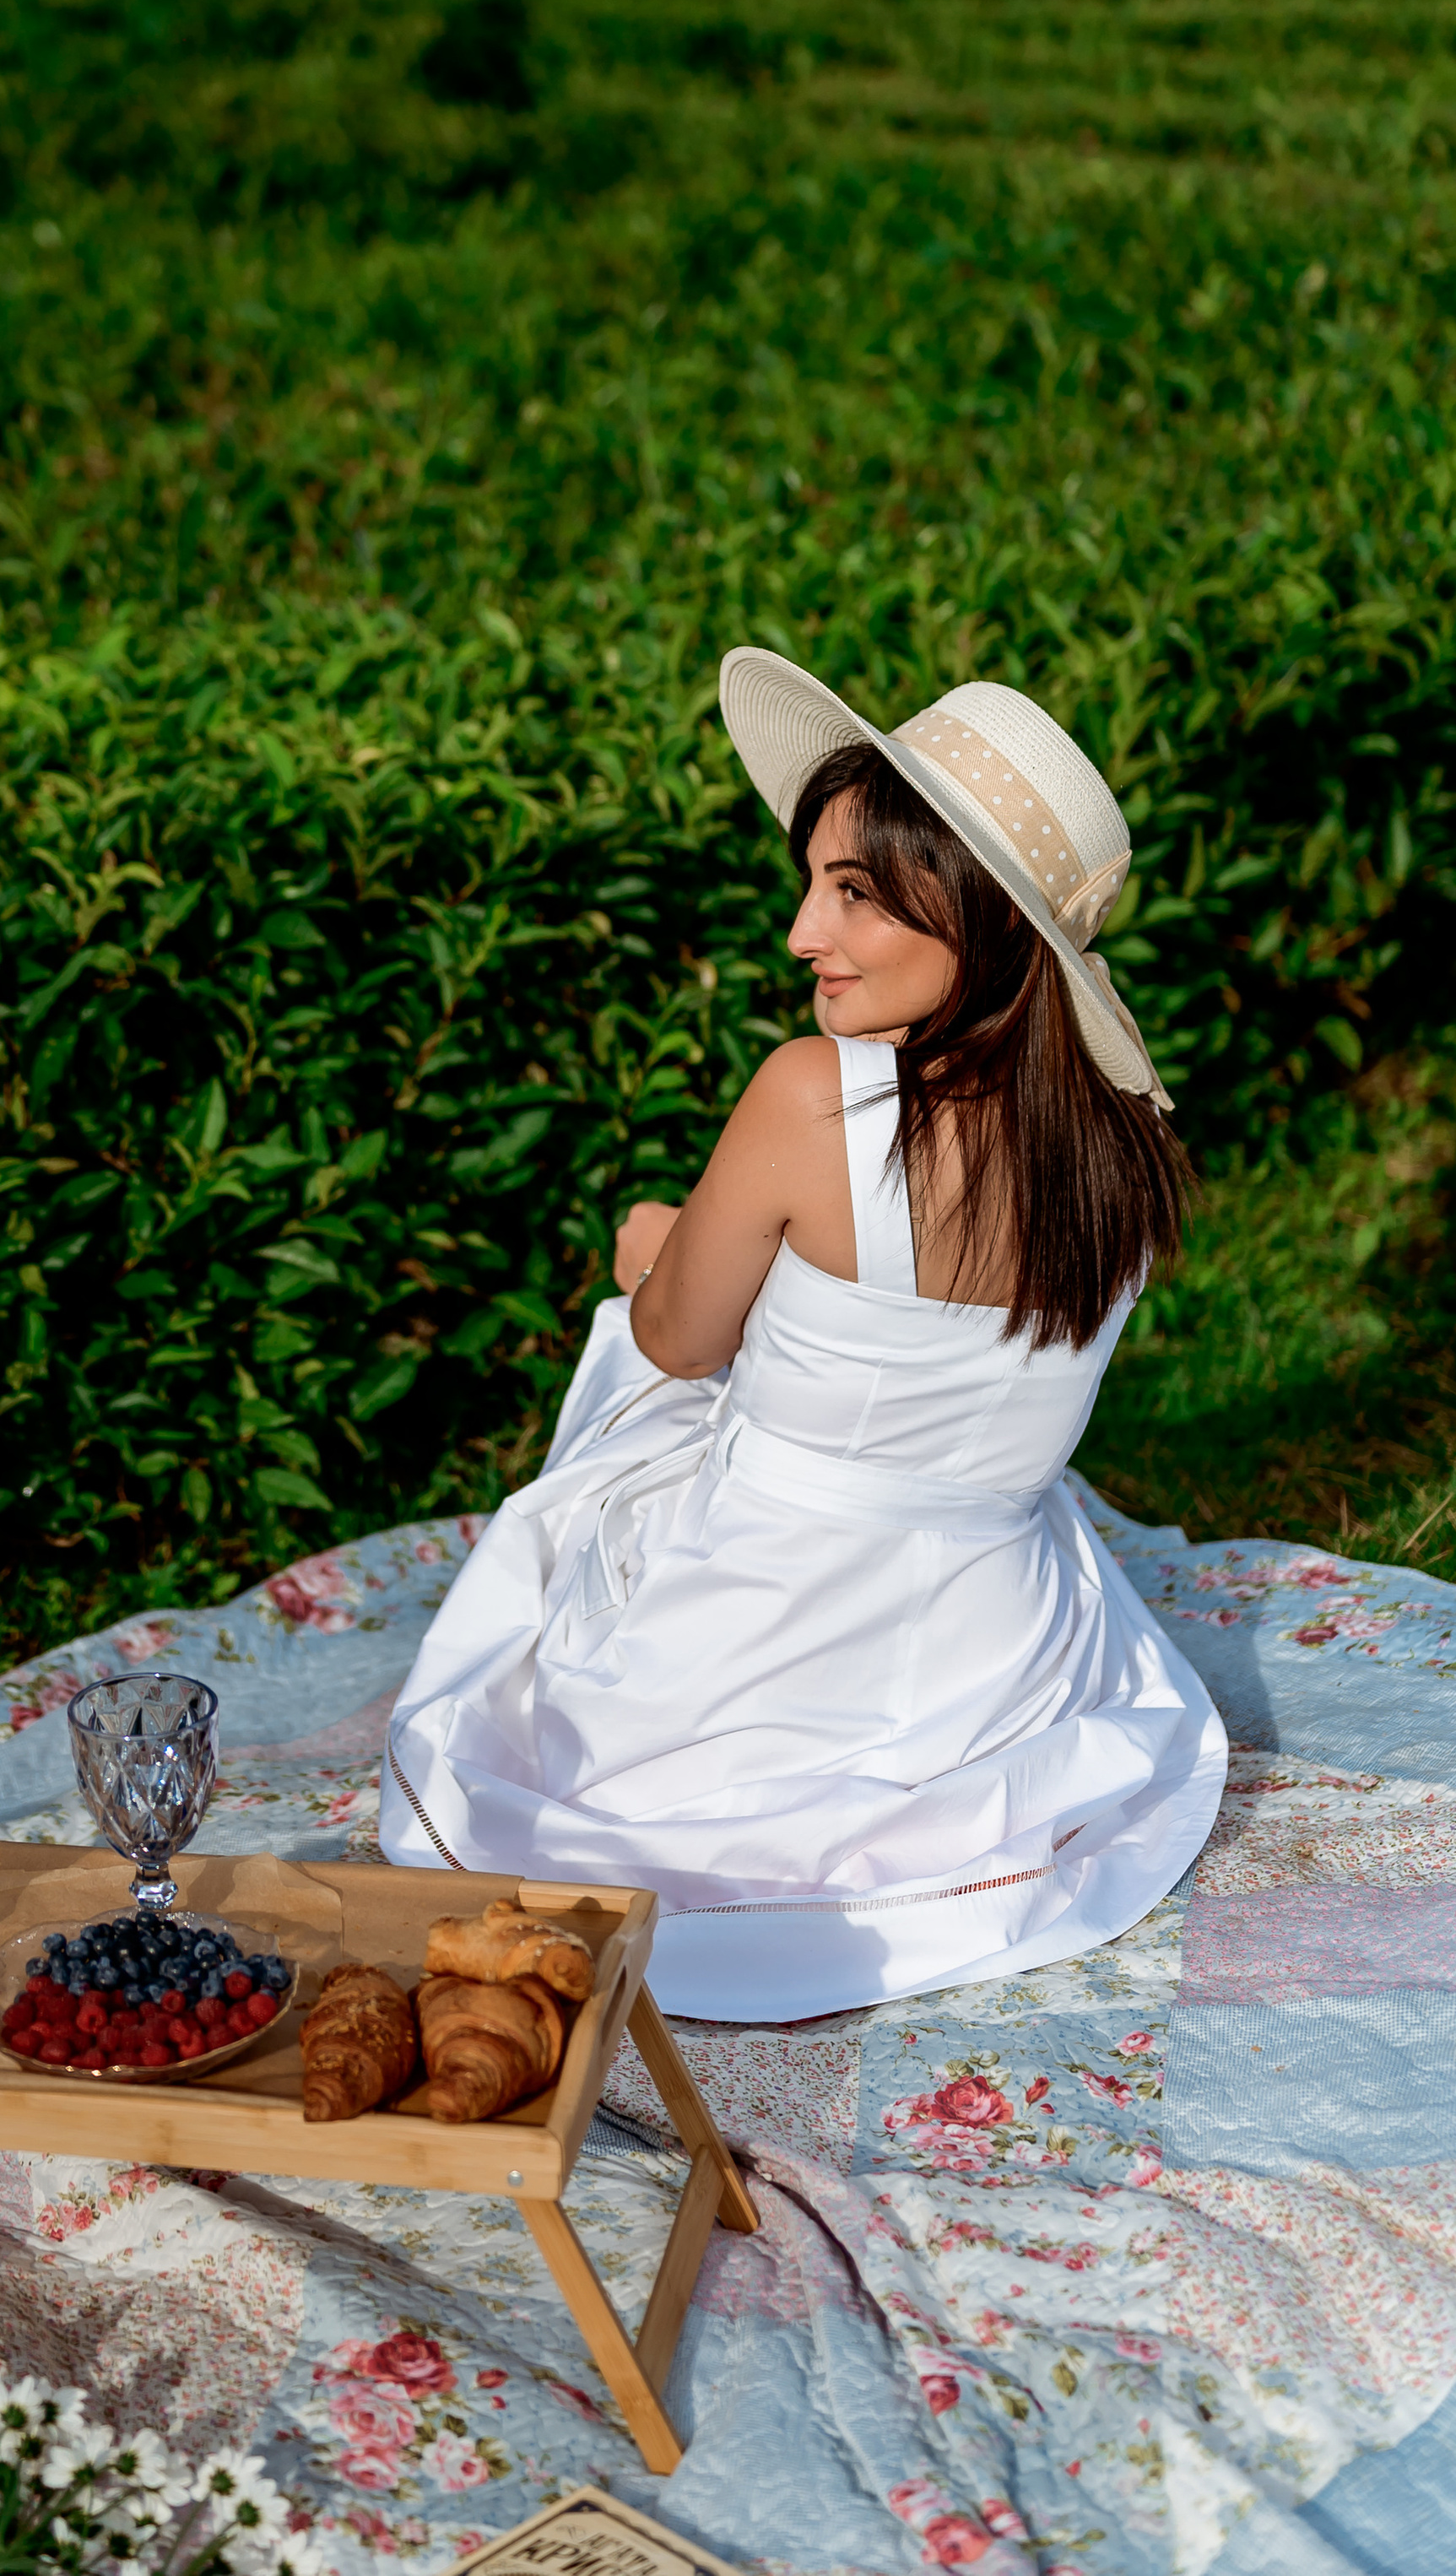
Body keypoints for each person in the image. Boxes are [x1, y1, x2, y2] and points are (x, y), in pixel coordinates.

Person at [379, 651, 1228, 2021]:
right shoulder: (1125, 1156)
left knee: (611, 1425)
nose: (801, 934)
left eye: (852, 894)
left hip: (762, 1636)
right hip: (995, 1656)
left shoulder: (815, 1099)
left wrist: (662, 1248)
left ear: (976, 918)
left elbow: (673, 1344)